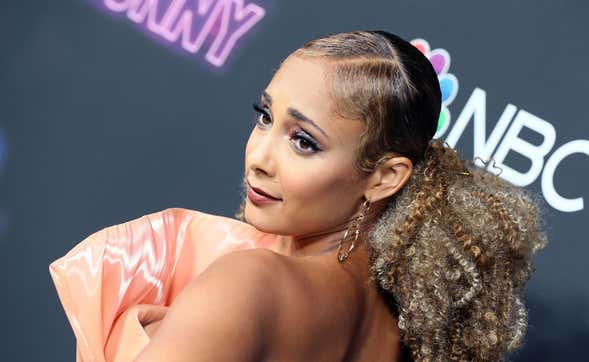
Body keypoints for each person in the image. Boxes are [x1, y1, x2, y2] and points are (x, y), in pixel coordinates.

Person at [50, 30, 548, 362]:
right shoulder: (397, 331)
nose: (259, 156)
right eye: (265, 117)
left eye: (303, 142)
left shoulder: (251, 283)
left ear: (385, 177)